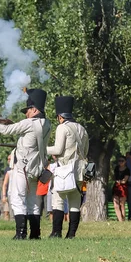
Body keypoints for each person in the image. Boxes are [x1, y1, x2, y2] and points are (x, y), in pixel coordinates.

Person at [0, 88, 51, 239]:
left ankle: (21, 233)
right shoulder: (47, 123)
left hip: (22, 168)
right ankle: (35, 234)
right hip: (36, 169)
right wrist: (13, 124)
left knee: (17, 199)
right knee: (33, 203)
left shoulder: (29, 123)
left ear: (34, 109)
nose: (26, 113)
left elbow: (6, 131)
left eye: (27, 110)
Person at [46, 96, 89, 238]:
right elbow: (85, 151)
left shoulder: (62, 127)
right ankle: (71, 234)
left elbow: (58, 150)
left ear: (60, 116)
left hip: (65, 170)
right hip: (80, 170)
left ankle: (56, 232)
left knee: (58, 200)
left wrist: (43, 149)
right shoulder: (82, 129)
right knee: (75, 202)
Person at [112, 156, 130, 222]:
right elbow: (113, 177)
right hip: (116, 187)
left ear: (125, 162)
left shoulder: (127, 170)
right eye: (119, 161)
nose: (120, 162)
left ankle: (123, 220)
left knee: (122, 205)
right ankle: (120, 220)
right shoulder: (116, 168)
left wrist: (120, 181)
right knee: (116, 205)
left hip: (123, 187)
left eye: (122, 161)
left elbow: (125, 180)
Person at [1, 153, 13, 221]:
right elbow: (4, 183)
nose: (8, 160)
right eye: (8, 159)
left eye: (10, 159)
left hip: (14, 192)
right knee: (6, 211)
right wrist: (4, 195)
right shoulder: (7, 170)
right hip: (8, 191)